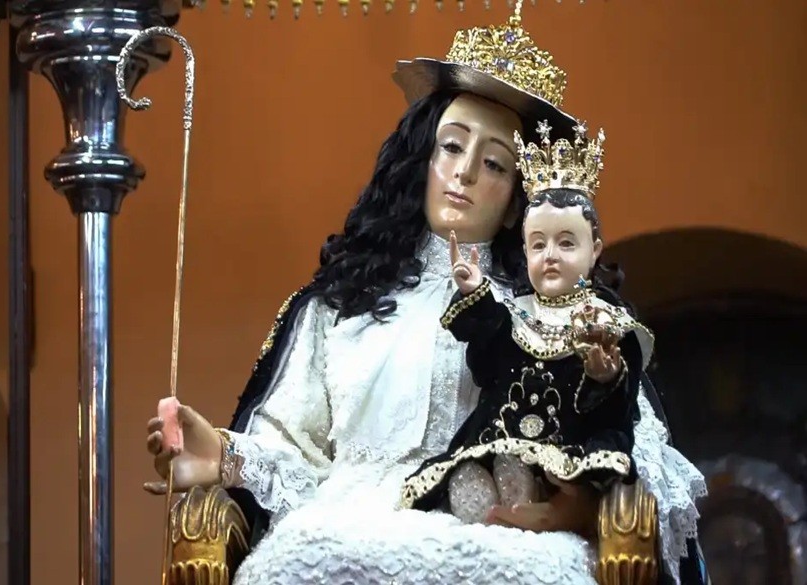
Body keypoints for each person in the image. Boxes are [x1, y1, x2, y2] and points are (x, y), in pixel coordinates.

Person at [144, 10, 709, 585]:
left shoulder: (555, 314)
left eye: (494, 163)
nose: (464, 173)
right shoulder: (339, 307)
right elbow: (294, 451)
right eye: (451, 147)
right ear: (422, 161)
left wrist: (579, 499)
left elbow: (633, 446)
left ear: (516, 201)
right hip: (344, 529)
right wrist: (224, 454)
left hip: (500, 529)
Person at [401, 122, 654, 526]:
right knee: (468, 476)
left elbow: (620, 415)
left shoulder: (606, 322)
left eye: (566, 242)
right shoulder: (515, 311)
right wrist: (476, 294)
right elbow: (488, 366)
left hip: (565, 458)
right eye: (538, 244)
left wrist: (605, 377)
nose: (550, 255)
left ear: (594, 251)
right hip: (497, 442)